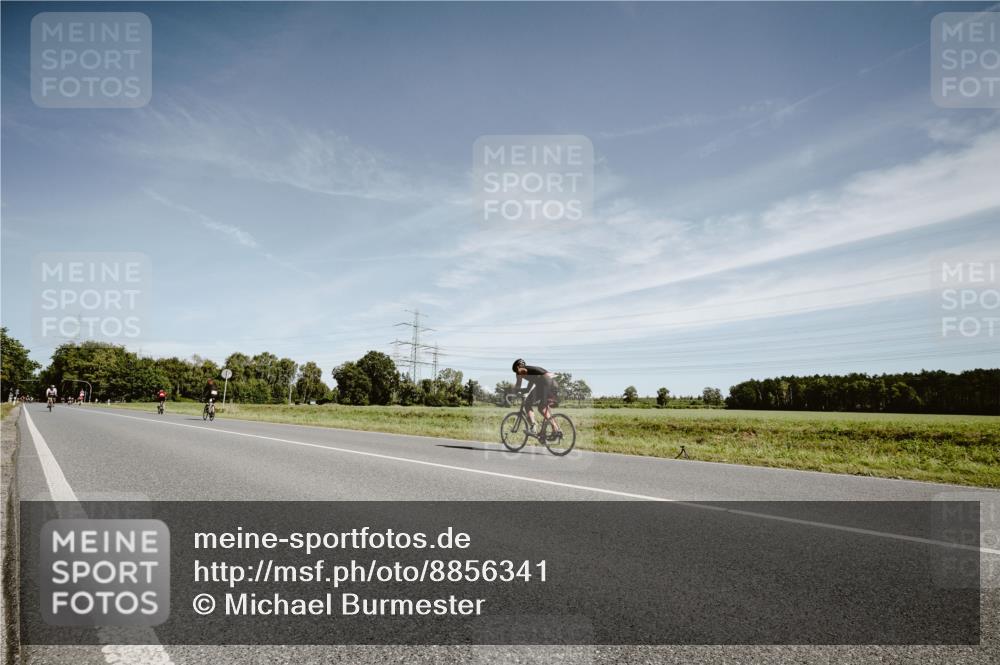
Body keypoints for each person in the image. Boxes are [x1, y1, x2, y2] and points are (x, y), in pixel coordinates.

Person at [511, 359, 560, 433]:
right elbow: (528, 388)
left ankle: (533, 427)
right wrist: (524, 390)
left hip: (544, 383)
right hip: (553, 383)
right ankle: (556, 428)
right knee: (542, 407)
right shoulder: (531, 371)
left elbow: (518, 385)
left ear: (516, 368)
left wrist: (512, 392)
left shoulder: (519, 371)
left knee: (527, 404)